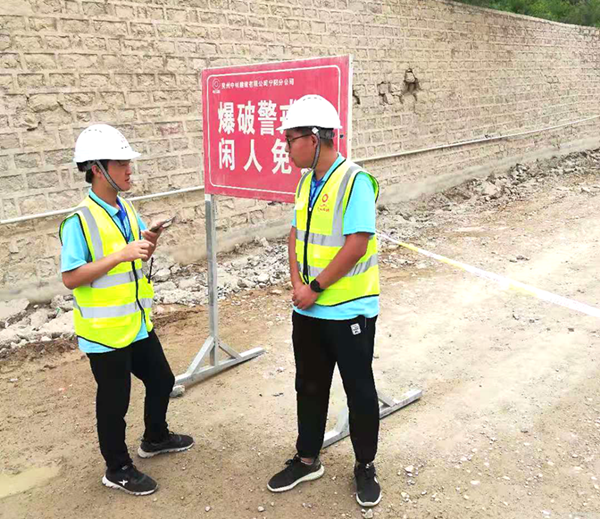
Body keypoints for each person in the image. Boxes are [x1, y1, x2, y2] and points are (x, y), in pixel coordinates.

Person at [59, 124, 193, 496]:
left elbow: (137, 256)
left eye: (128, 163)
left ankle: (155, 438)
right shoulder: (78, 221)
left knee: (162, 380)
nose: (129, 170)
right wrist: (120, 254)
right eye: (121, 164)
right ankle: (117, 468)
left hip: (135, 323)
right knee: (114, 402)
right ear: (97, 169)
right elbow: (71, 277)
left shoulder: (126, 209)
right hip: (104, 333)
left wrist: (149, 239)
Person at [267, 96, 382, 507]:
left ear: (314, 139)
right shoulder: (305, 183)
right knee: (310, 385)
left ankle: (364, 465)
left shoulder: (355, 181)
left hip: (348, 310)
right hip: (309, 310)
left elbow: (356, 244)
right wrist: (298, 284)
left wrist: (313, 287)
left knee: (359, 390)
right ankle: (307, 458)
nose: (286, 147)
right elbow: (295, 234)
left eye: (290, 139)